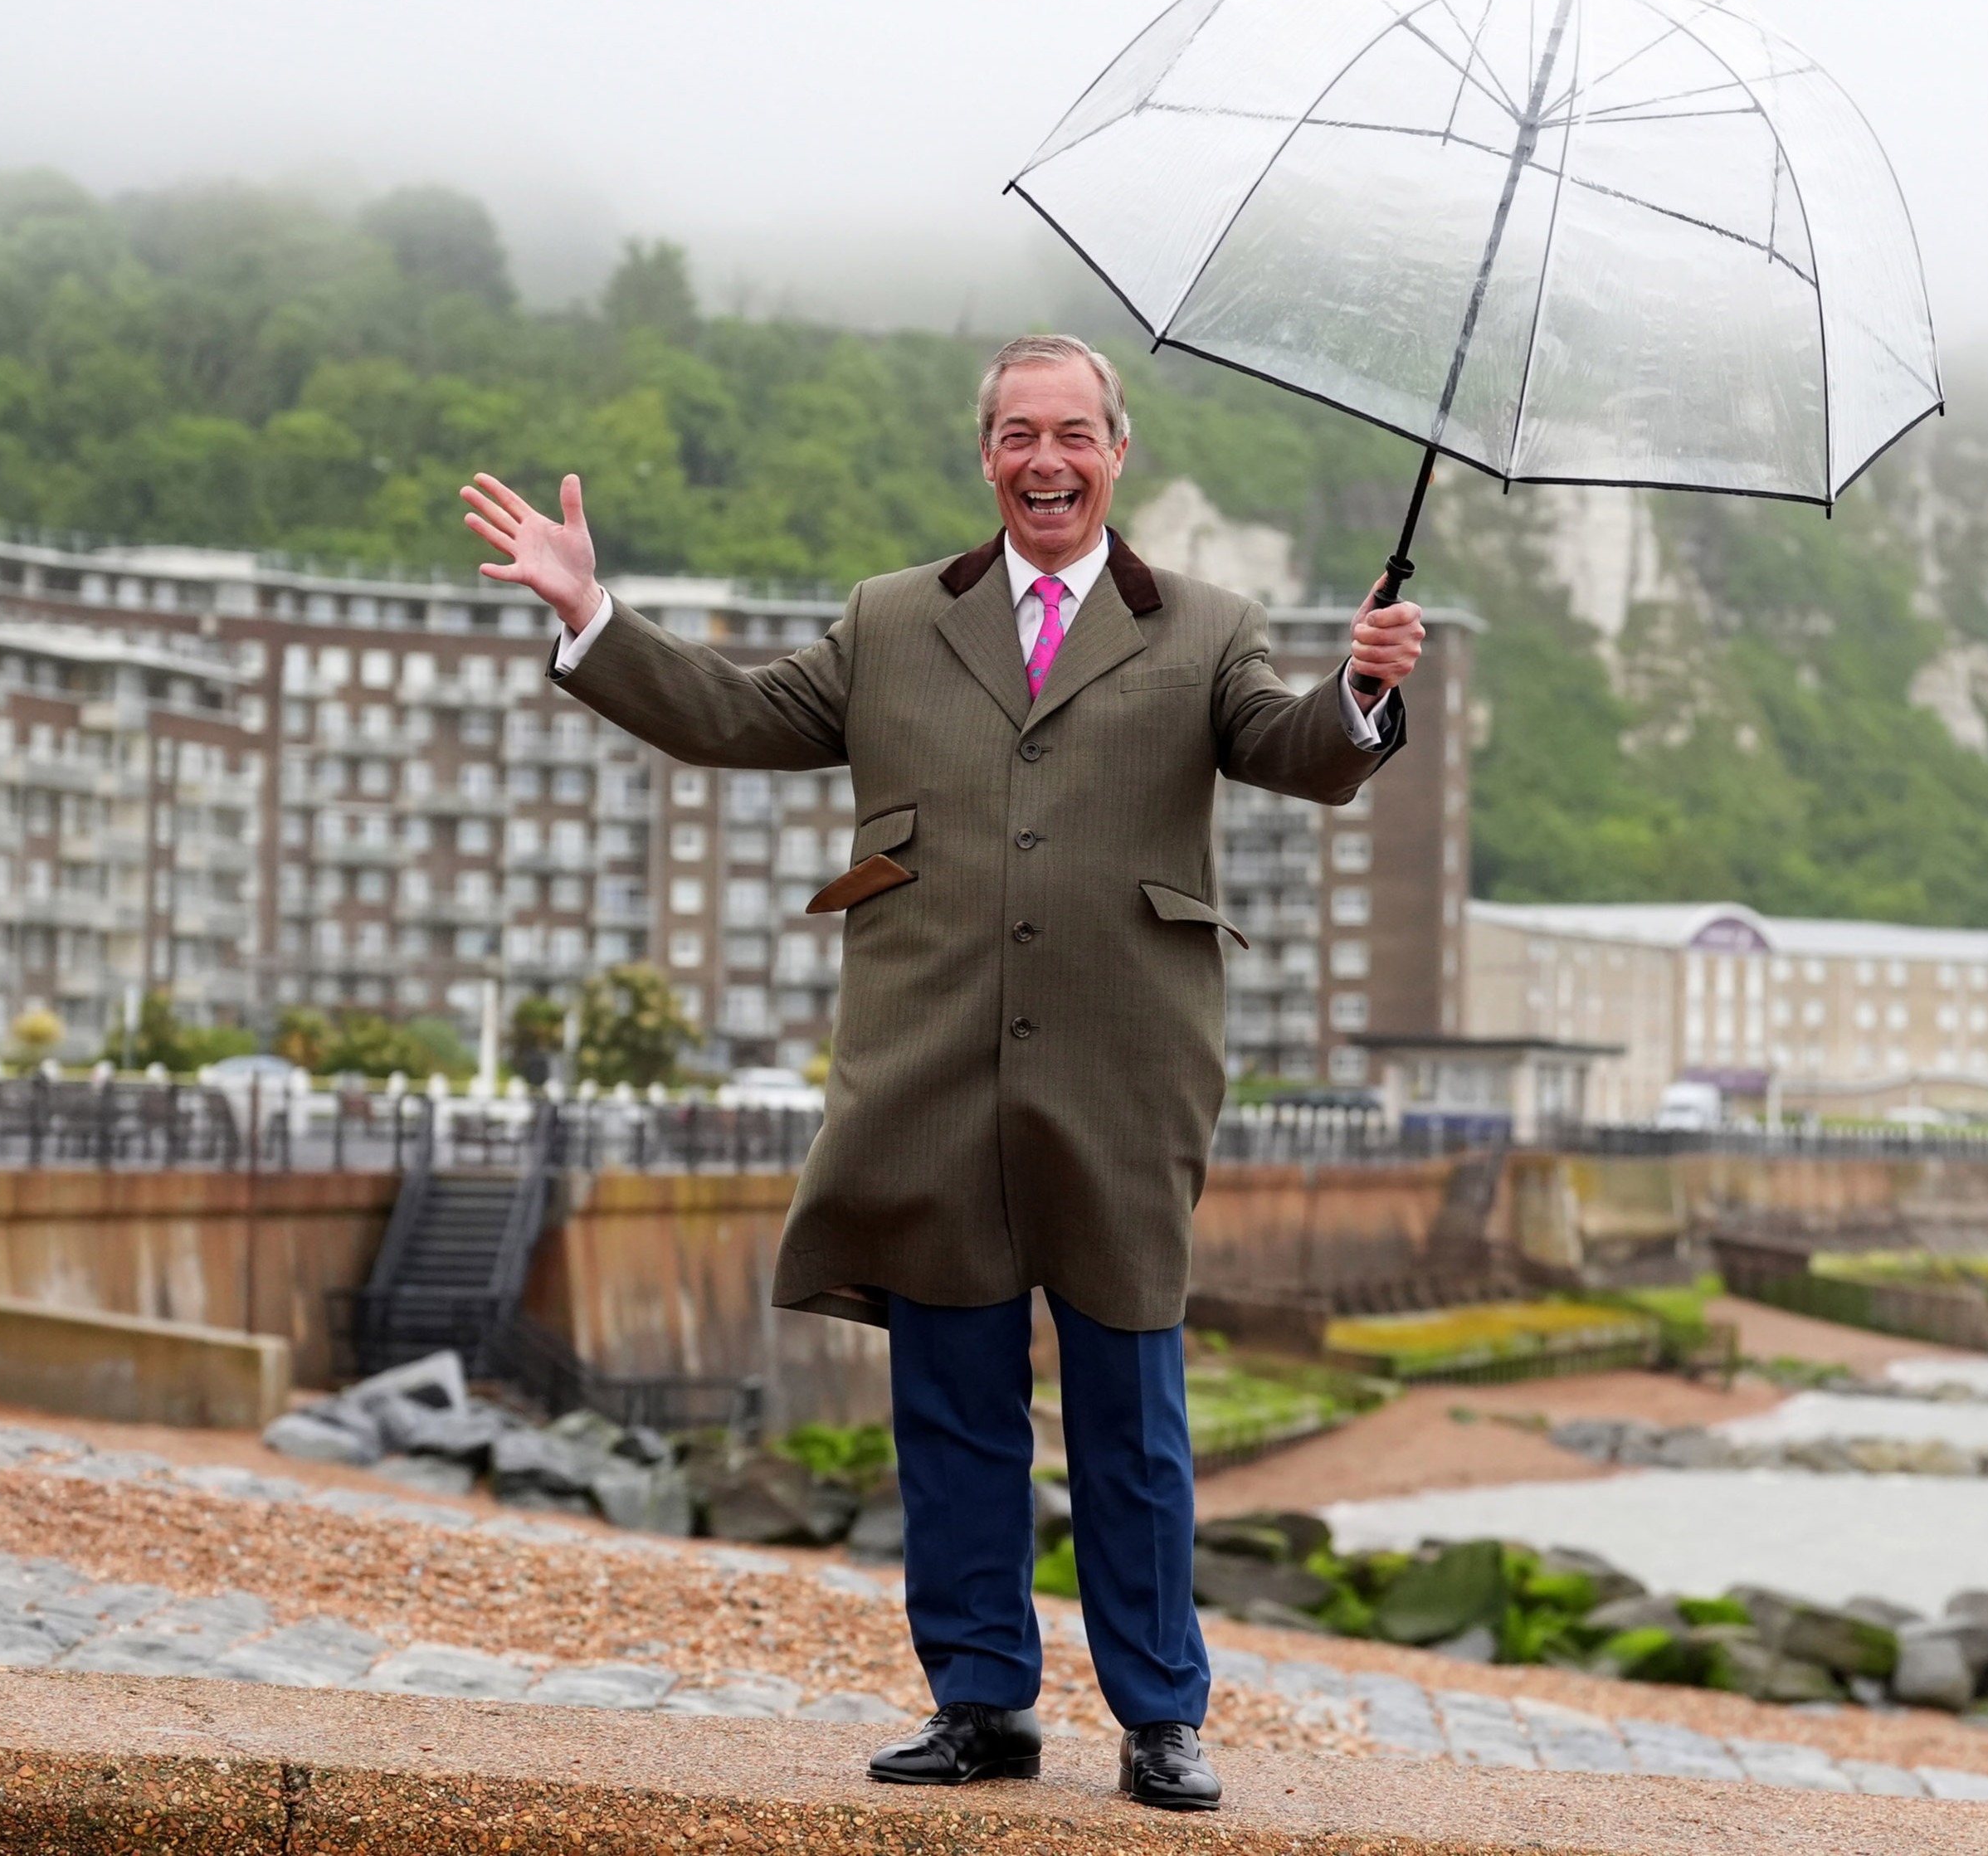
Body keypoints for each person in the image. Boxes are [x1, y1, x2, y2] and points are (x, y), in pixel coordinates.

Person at [463, 334, 1425, 1811]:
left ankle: (1161, 1718)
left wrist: (1359, 693)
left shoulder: (1208, 626)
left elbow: (1291, 751)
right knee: (955, 1412)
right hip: (925, 1071)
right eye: (1018, 434)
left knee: (1131, 1417)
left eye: (1074, 435)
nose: (1046, 460)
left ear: (1120, 451)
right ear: (984, 455)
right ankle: (981, 1706)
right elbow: (735, 718)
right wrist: (593, 612)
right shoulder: (892, 620)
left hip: (1124, 1073)